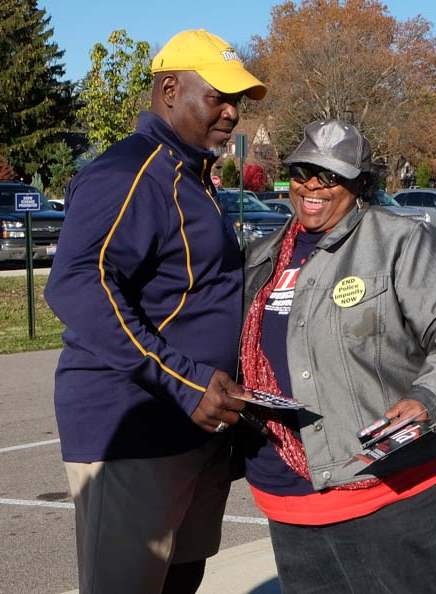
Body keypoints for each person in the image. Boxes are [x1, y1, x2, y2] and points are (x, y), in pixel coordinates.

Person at [44, 30, 266, 594]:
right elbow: (75, 284)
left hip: (194, 428)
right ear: (170, 89)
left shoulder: (192, 176)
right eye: (218, 96)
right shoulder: (128, 173)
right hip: (134, 430)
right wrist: (185, 381)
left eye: (237, 100)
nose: (232, 113)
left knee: (181, 581)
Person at [239, 120, 436, 593]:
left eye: (330, 176)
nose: (312, 186)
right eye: (302, 172)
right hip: (291, 493)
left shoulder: (398, 242)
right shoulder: (264, 255)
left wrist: (428, 398)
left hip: (395, 487)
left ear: (359, 185)